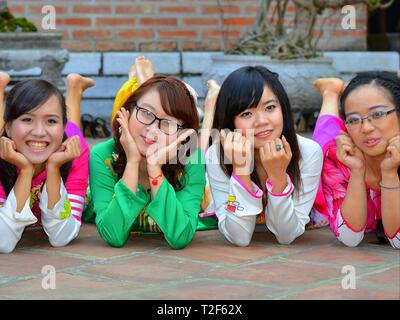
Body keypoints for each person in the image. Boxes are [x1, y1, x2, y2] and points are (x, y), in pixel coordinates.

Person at [82, 72, 216, 249]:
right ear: (127, 110)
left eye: (168, 123)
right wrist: (132, 163)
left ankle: (211, 105)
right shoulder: (104, 156)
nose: (152, 130)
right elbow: (112, 235)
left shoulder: (192, 160)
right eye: (146, 113)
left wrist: (155, 169)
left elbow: (180, 236)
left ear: (182, 134)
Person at [205, 66, 324, 246]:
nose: (261, 121)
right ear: (230, 121)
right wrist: (241, 170)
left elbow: (286, 236)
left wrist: (278, 179)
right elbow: (240, 238)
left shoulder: (308, 152)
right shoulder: (218, 155)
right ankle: (211, 102)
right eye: (246, 113)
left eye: (270, 107)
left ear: (283, 108)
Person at [0, 72, 90, 253]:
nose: (39, 132)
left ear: (62, 128)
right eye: (27, 119)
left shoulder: (75, 153)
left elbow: (61, 237)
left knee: (74, 128)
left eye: (51, 121)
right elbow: (3, 242)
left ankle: (74, 90)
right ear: (8, 127)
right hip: (33, 137)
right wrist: (25, 171)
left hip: (64, 138)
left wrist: (54, 169)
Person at [312, 72, 400, 249]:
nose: (366, 128)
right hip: (338, 148)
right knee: (321, 144)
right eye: (353, 119)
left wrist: (389, 173)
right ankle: (331, 92)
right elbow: (349, 238)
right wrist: (357, 172)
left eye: (378, 114)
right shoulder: (339, 157)